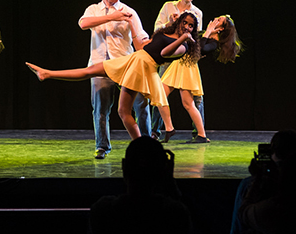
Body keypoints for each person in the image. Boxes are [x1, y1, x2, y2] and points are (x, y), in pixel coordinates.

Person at [27, 11, 198, 143]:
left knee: (124, 111)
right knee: (91, 70)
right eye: (185, 23)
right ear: (180, 21)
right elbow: (144, 45)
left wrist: (183, 37)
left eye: (191, 26)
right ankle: (47, 73)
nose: (187, 27)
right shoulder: (166, 32)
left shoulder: (183, 46)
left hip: (142, 68)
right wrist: (137, 24)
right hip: (134, 60)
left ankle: (142, 144)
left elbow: (164, 52)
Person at [77, 0, 151, 160]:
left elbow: (141, 39)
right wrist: (112, 17)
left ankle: (147, 143)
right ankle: (102, 146)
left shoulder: (129, 11)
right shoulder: (93, 9)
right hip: (100, 65)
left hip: (125, 65)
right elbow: (83, 24)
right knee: (101, 109)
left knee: (141, 104)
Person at [160, 14, 243, 144]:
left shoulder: (213, 43)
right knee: (160, 96)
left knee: (188, 103)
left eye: (219, 20)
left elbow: (200, 49)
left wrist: (209, 31)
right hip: (178, 64)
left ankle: (201, 135)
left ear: (220, 28)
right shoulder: (205, 34)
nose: (215, 19)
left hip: (187, 67)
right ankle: (169, 128)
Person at [151, 0, 204, 138]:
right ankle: (156, 130)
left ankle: (199, 132)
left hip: (184, 56)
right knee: (159, 93)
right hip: (168, 54)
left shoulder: (197, 12)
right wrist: (171, 23)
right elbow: (157, 29)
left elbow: (196, 37)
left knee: (192, 98)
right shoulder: (168, 6)